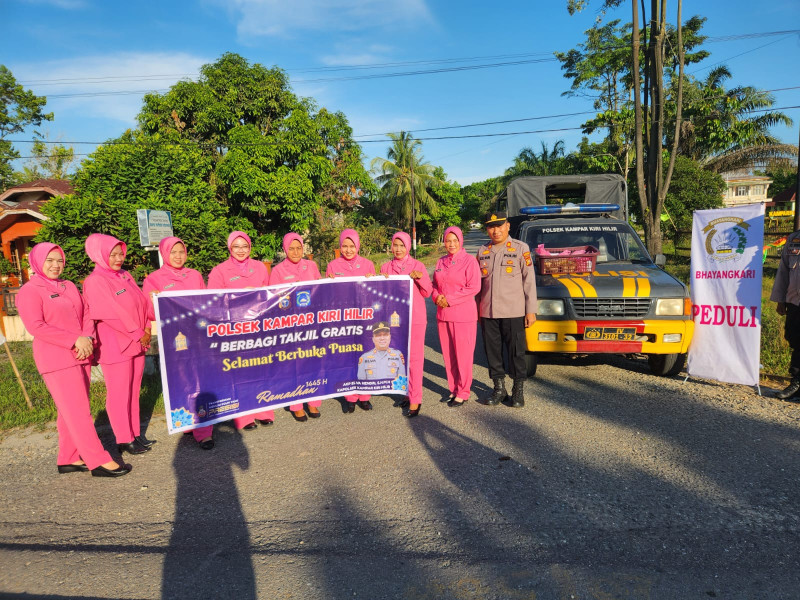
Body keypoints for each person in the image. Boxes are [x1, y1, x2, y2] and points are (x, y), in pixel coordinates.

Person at [16, 243, 131, 477]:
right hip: (57, 359)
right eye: (49, 260)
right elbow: (36, 326)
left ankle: (68, 457)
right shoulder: (30, 290)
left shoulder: (68, 286)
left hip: (81, 354)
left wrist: (86, 337)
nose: (55, 265)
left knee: (70, 410)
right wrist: (74, 340)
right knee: (79, 412)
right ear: (37, 262)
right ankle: (97, 460)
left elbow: (87, 312)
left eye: (59, 260)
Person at [83, 233, 156, 456]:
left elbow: (141, 303)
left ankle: (135, 433)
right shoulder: (95, 281)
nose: (118, 258)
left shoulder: (125, 275)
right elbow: (110, 313)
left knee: (133, 391)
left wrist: (145, 328)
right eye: (112, 254)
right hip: (116, 345)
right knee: (119, 393)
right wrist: (136, 332)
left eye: (120, 253)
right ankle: (123, 438)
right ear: (99, 255)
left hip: (137, 341)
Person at [143, 237, 214, 449]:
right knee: (181, 380)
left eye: (181, 251)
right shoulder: (154, 279)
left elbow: (206, 303)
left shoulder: (195, 275)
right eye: (173, 252)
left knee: (202, 379)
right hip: (173, 339)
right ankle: (187, 423)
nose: (178, 256)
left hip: (198, 335)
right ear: (164, 253)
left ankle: (204, 429)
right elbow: (149, 312)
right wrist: (156, 302)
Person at [207, 231, 275, 430]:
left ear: (250, 247)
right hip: (235, 329)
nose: (241, 250)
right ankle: (244, 416)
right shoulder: (219, 271)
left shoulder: (260, 267)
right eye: (236, 246)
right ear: (230, 248)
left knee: (260, 367)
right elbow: (214, 301)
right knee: (240, 371)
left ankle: (263, 410)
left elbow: (269, 295)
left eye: (244, 246)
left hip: (258, 327)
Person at [476, 211, 537, 408]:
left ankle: (517, 390)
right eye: (491, 227)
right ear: (487, 229)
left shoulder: (520, 248)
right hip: (488, 312)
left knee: (516, 352)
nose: (496, 230)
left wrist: (531, 310)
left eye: (499, 225)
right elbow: (477, 285)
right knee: (492, 352)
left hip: (514, 311)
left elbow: (529, 281)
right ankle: (499, 388)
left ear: (508, 226)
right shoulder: (482, 251)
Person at [269, 232, 323, 422]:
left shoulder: (312, 265)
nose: (295, 251)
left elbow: (320, 290)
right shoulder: (277, 271)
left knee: (312, 362)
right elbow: (273, 300)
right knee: (293, 364)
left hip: (311, 322)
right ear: (285, 249)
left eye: (298, 247)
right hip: (289, 326)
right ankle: (297, 405)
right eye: (291, 248)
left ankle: (313, 402)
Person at [379, 232, 431, 417]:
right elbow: (379, 295)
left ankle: (416, 399)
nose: (398, 249)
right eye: (395, 245)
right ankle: (407, 393)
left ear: (408, 246)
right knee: (400, 359)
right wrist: (375, 280)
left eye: (402, 245)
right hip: (395, 321)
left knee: (415, 359)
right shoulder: (385, 267)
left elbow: (427, 292)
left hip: (415, 319)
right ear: (391, 246)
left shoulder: (418, 265)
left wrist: (420, 278)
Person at [326, 228, 376, 412]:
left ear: (358, 246)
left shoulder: (368, 264)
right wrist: (328, 281)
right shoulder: (332, 266)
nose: (348, 250)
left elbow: (374, 294)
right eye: (344, 246)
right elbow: (328, 295)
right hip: (343, 321)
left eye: (351, 246)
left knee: (364, 356)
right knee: (346, 357)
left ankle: (364, 396)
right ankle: (350, 397)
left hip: (363, 320)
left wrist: (374, 280)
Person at [432, 226, 481, 407]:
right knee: (449, 355)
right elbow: (434, 285)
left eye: (455, 240)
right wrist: (437, 297)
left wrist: (449, 299)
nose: (451, 244)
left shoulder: (469, 261)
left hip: (463, 315)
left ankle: (463, 391)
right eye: (448, 240)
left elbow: (474, 287)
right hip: (443, 315)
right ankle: (453, 389)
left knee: (463, 355)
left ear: (461, 241)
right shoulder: (440, 262)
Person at [771, 231, 800, 400]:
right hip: (794, 301)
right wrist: (780, 300)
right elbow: (783, 270)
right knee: (794, 338)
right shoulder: (794, 239)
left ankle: (797, 383)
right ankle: (797, 383)